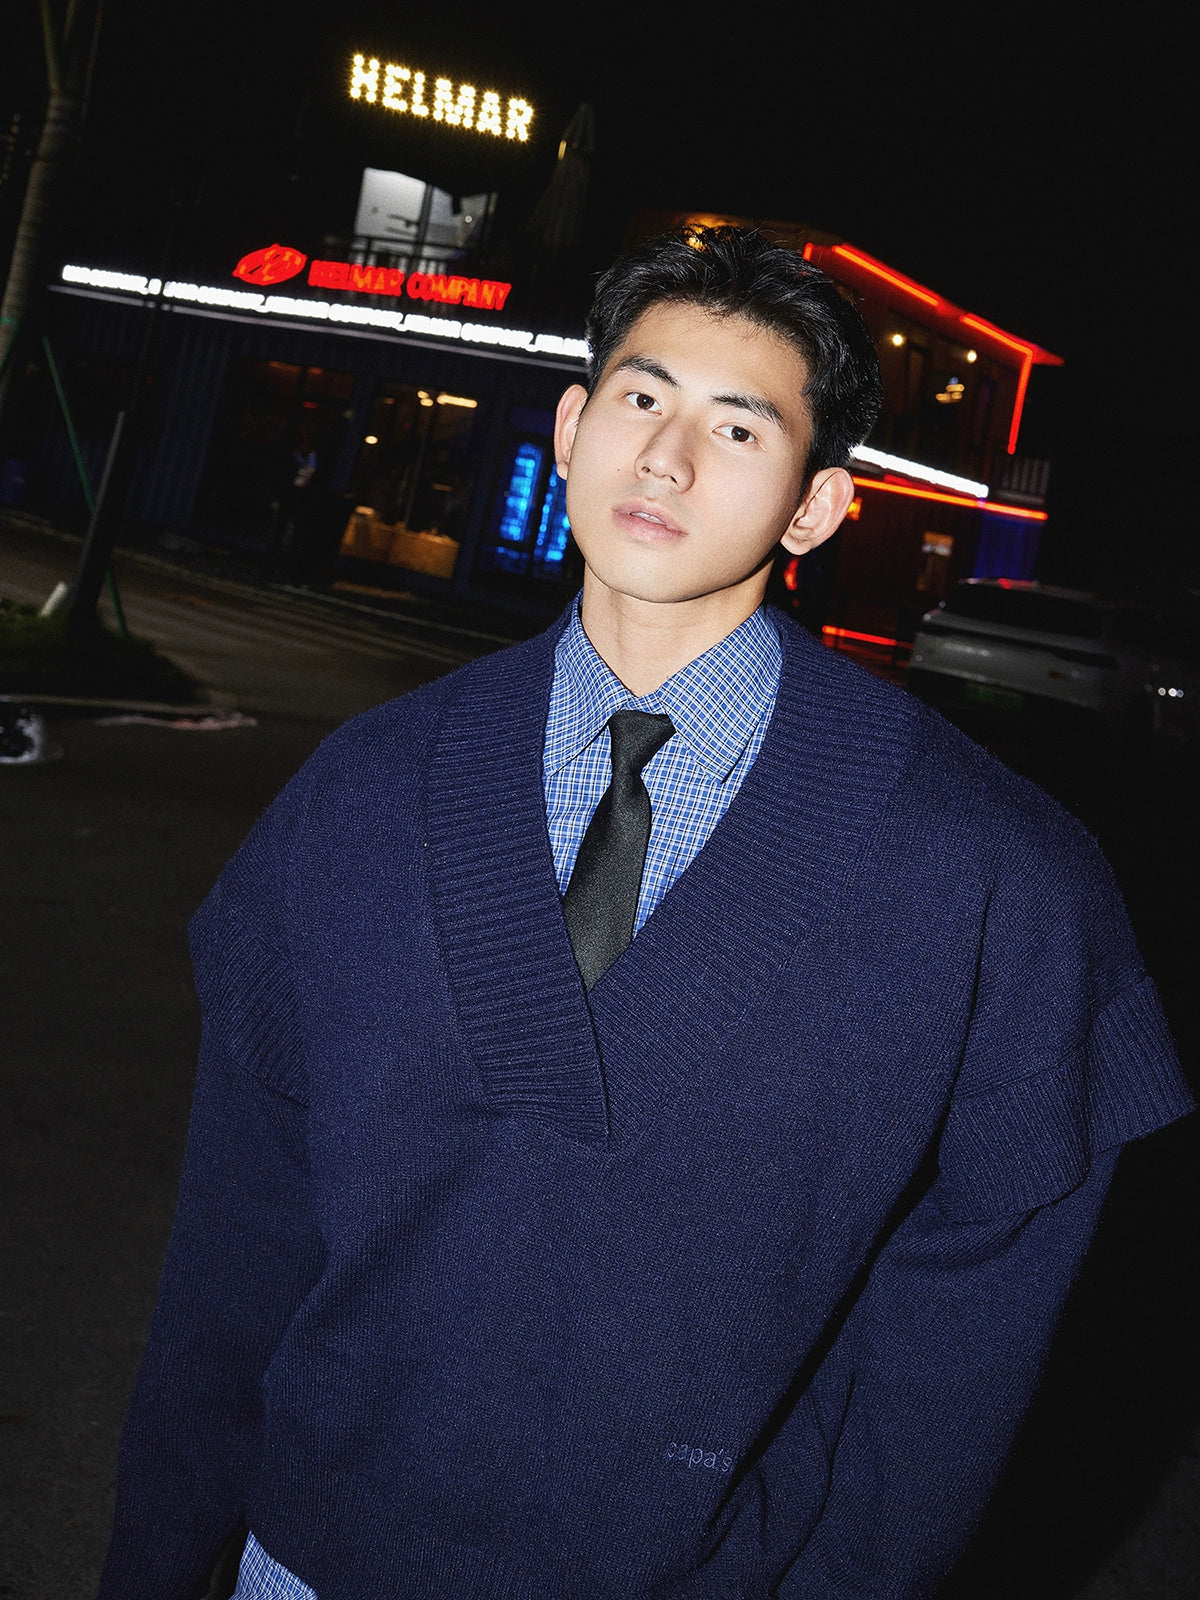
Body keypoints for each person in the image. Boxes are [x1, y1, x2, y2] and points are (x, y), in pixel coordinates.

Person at [97, 227, 1191, 1600]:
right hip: (311, 1562)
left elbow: (968, 1333)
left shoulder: (989, 879)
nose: (665, 459)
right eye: (640, 397)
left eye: (738, 428)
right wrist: (158, 1557)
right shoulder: (360, 798)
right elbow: (236, 1242)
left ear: (817, 506)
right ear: (571, 428)